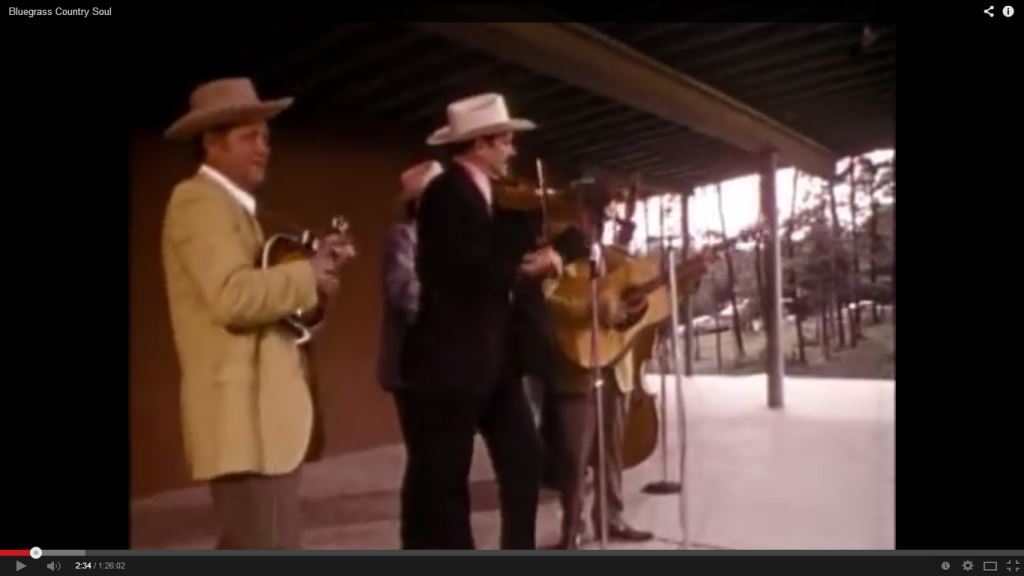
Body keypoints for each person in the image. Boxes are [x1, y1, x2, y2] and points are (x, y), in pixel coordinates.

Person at [161, 77, 352, 549]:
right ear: (211, 143)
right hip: (245, 426)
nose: (263, 148)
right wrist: (307, 273)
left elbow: (273, 312)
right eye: (249, 137)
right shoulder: (196, 202)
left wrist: (316, 283)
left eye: (266, 137)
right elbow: (232, 296)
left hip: (263, 426)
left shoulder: (233, 211)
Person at [399, 93, 562, 549]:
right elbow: (455, 271)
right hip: (452, 357)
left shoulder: (489, 194)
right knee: (446, 476)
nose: (512, 150)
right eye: (505, 141)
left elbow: (493, 257)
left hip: (494, 357)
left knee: (525, 457)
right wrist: (522, 268)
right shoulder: (444, 193)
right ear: (481, 144)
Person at [375, 159, 443, 548]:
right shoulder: (402, 236)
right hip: (412, 369)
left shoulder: (447, 241)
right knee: (425, 459)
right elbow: (404, 292)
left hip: (441, 366)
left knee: (439, 459)